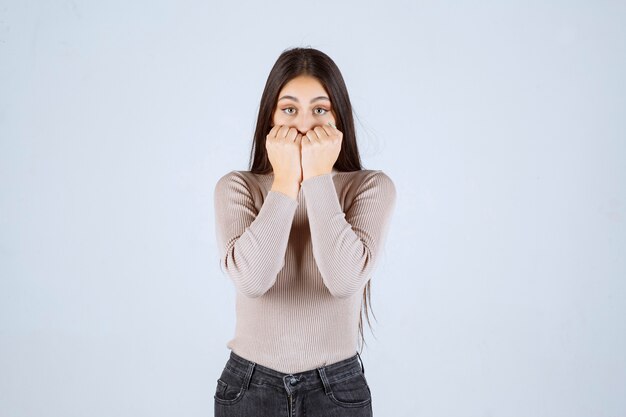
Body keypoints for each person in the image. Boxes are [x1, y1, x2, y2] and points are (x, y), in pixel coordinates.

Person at [213, 46, 396, 417]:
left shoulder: (369, 187)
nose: (303, 125)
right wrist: (284, 182)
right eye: (290, 108)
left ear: (337, 117)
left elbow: (344, 280)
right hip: (249, 386)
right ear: (271, 116)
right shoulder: (238, 187)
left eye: (320, 109)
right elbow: (252, 280)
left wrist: (316, 177)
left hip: (336, 387)